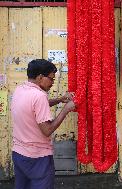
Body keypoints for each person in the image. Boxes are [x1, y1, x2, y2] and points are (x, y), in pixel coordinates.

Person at [11, 59, 76, 189]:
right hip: (37, 158)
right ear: (40, 77)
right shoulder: (39, 96)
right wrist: (66, 109)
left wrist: (60, 99)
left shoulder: (20, 89)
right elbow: (47, 130)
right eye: (51, 79)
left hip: (18, 154)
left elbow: (35, 106)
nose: (53, 83)